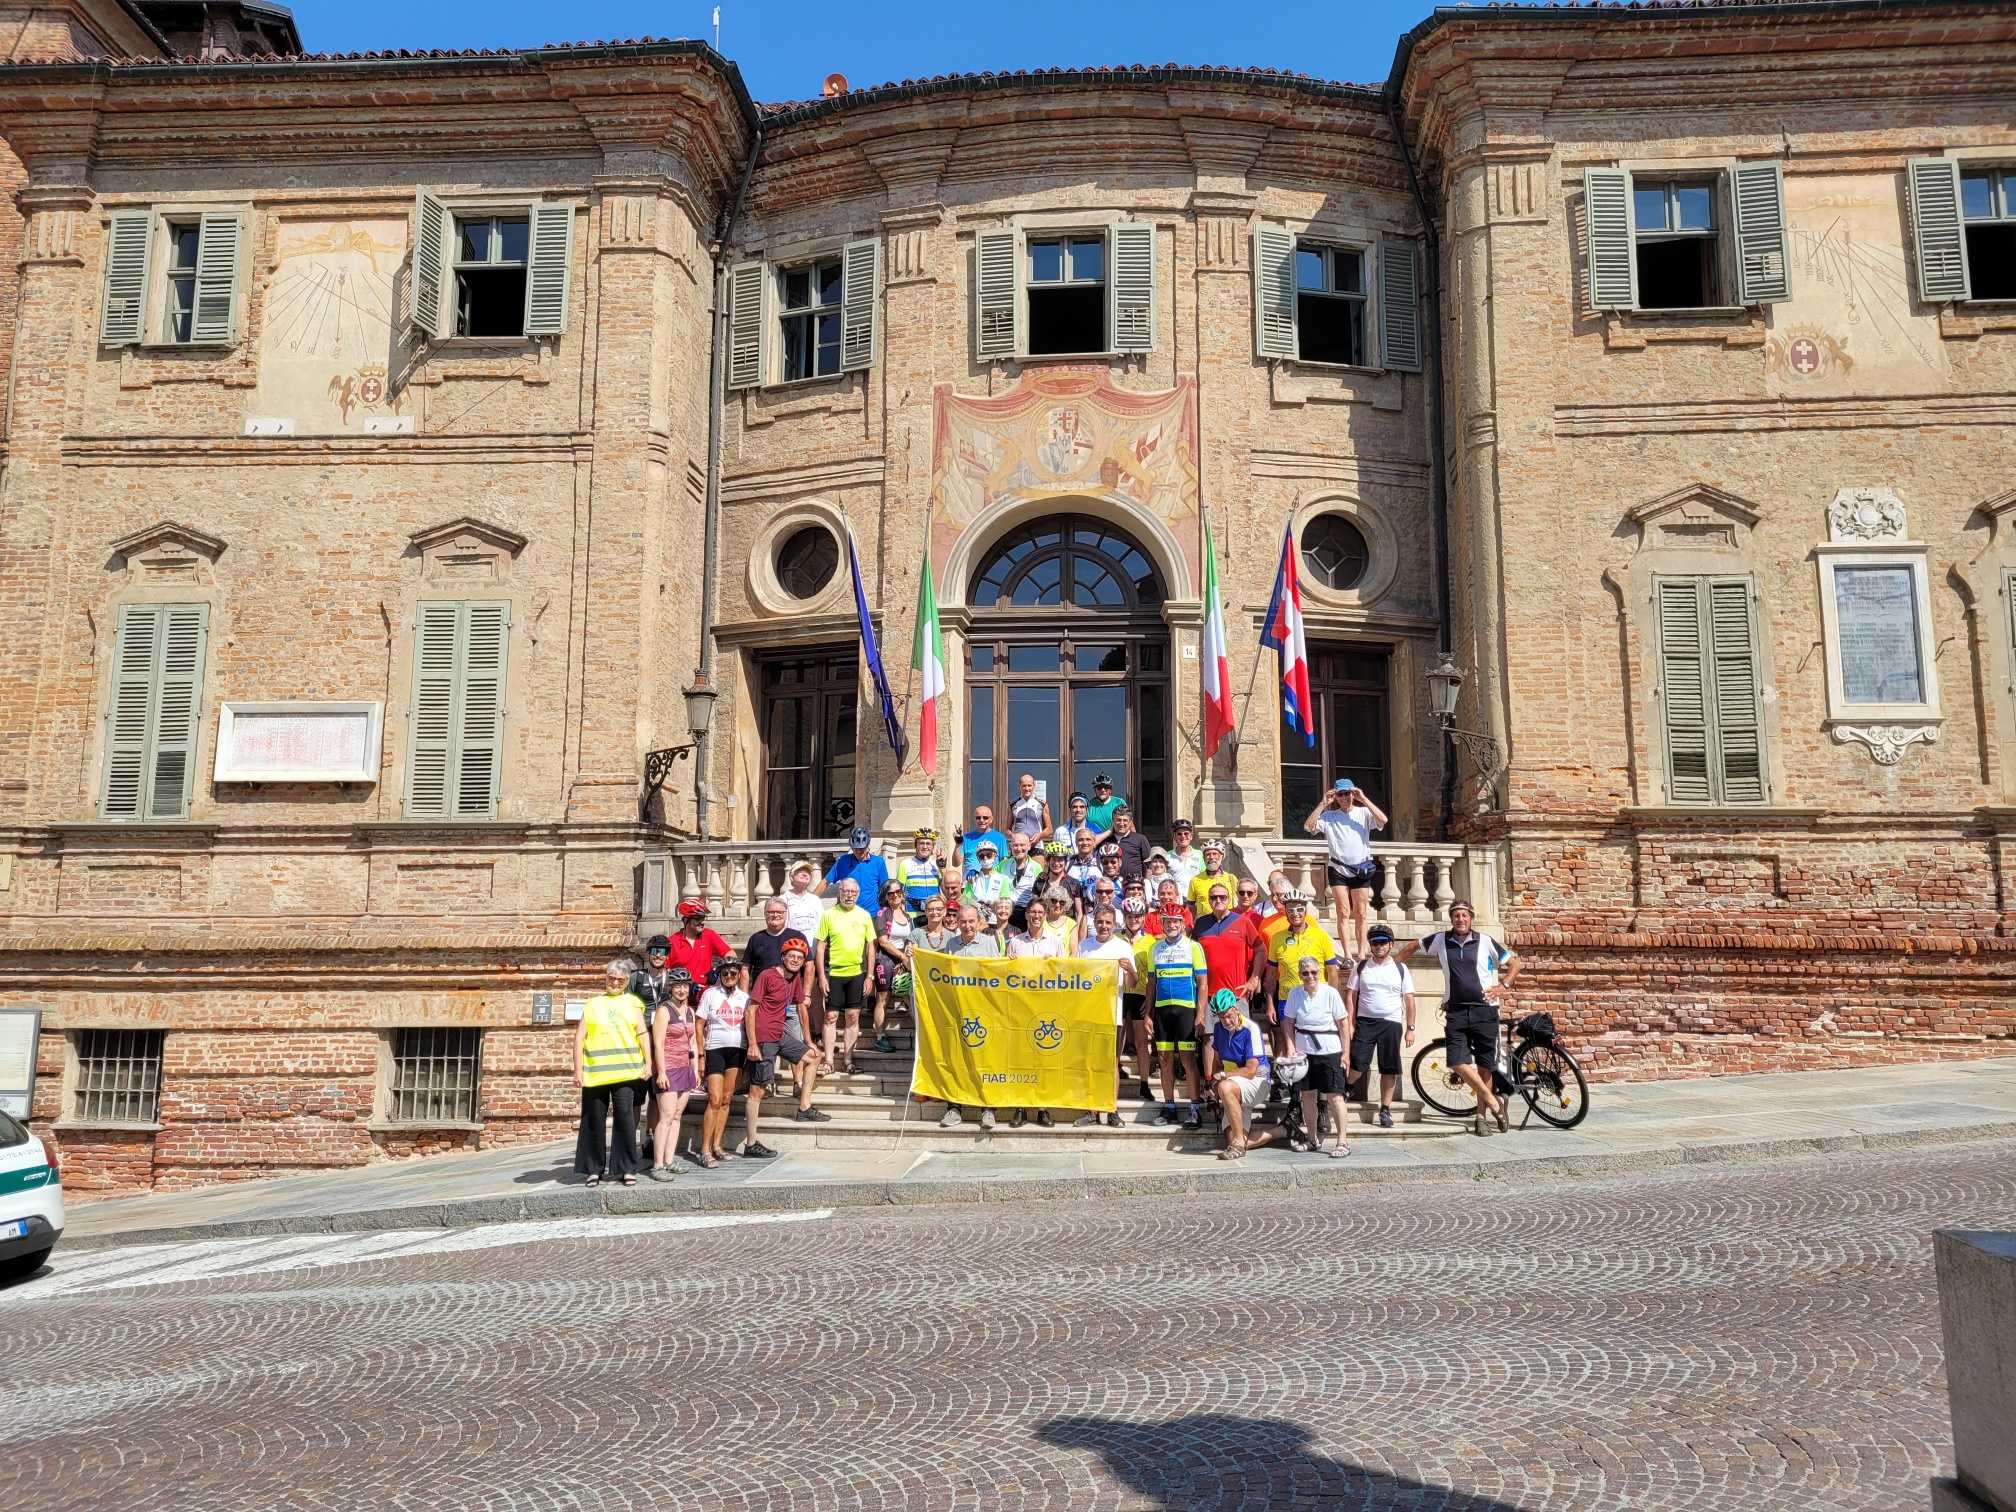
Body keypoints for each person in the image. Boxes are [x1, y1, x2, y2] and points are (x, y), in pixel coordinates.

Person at [1398, 900, 1520, 1137]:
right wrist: (1390, 969)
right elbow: (1411, 946)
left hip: (1485, 1010)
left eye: (1464, 915)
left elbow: (1513, 964)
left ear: (1471, 918)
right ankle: (1495, 1102)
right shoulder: (1441, 940)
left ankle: (1481, 1118)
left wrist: (1503, 985)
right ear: (1451, 919)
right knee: (1456, 1061)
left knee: (1485, 1066)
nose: (1460, 919)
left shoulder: (1485, 941)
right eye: (1456, 916)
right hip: (1456, 1010)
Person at [574, 958, 650, 1187]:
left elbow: (642, 1034)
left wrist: (649, 1063)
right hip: (595, 1072)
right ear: (605, 978)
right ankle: (593, 1170)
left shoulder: (633, 1003)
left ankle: (626, 1168)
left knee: (625, 1120)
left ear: (626, 982)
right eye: (612, 978)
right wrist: (577, 1069)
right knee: (593, 1120)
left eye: (620, 979)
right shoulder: (593, 1004)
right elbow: (579, 1037)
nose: (615, 983)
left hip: (626, 1072)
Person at [1267, 891, 1344, 1111]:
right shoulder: (1277, 938)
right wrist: (1270, 1003)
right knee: (1289, 1049)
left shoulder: (1320, 936)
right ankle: (1294, 1101)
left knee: (1317, 1052)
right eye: (1290, 909)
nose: (1295, 913)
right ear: (1285, 912)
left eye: (1299, 909)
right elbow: (1271, 975)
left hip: (1316, 1000)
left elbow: (1332, 971)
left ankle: (1322, 1105)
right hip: (1287, 1000)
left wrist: (1333, 1000)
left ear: (1306, 911)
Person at [745, 939, 823, 1152]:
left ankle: (804, 1108)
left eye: (800, 958)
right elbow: (750, 1011)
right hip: (763, 1038)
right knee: (758, 1090)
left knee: (815, 1056)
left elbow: (801, 1007)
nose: (796, 960)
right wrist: (752, 1044)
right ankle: (751, 1144)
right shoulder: (767, 975)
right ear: (783, 957)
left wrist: (808, 1040)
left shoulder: (794, 978)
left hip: (780, 1035)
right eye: (792, 956)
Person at [1305, 779, 1389, 960]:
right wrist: (1322, 804)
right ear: (1336, 796)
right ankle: (1347, 954)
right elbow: (1308, 827)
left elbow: (1383, 820)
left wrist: (1363, 799)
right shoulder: (1329, 816)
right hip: (1338, 868)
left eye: (1346, 793)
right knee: (1343, 911)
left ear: (1352, 794)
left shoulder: (1363, 813)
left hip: (1360, 868)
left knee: (1360, 912)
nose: (1344, 797)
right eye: (1340, 794)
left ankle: (1361, 953)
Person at [939, 903, 1003, 1131]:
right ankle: (954, 1108)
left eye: (971, 921)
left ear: (978, 922)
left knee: (985, 1063)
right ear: (957, 922)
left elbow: (998, 974)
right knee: (957, 1062)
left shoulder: (989, 943)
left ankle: (988, 1109)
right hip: (958, 1013)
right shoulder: (950, 945)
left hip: (983, 1012)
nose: (967, 925)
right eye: (963, 921)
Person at [1281, 952, 1351, 1158]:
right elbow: (1288, 1022)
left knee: (1335, 1097)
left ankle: (1343, 1141)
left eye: (1313, 972)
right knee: (1307, 1095)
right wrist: (1290, 1048)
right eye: (1305, 973)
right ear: (1300, 975)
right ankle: (1311, 1138)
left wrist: (1346, 1053)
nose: (1310, 976)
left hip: (1329, 1050)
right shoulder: (1295, 994)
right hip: (1304, 1051)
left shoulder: (1330, 993)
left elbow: (1343, 1023)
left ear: (1319, 973)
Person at [1347, 924, 1417, 1128]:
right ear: (1370, 945)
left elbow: (1409, 1000)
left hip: (1391, 1023)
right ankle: (1347, 1086)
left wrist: (1411, 1028)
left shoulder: (1400, 969)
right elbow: (1351, 996)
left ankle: (1385, 1110)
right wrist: (1350, 1024)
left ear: (1391, 944)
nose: (1379, 946)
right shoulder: (1361, 967)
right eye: (1375, 942)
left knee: (1389, 1067)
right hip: (1365, 1021)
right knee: (1358, 1062)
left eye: (1383, 942)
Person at [1005, 895, 1066, 1128]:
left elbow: (1066, 976)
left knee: (1044, 1060)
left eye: (1040, 912)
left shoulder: (1055, 943)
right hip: (1021, 1008)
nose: (1036, 916)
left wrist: (1055, 965)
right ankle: (1020, 1108)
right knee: (1021, 1059)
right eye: (1033, 912)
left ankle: (1043, 1108)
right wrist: (1008, 962)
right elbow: (1006, 976)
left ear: (1046, 915)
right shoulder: (1015, 943)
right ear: (1027, 915)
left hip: (1046, 1009)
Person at [1073, 902, 1136, 1127]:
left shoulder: (1123, 946)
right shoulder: (1084, 946)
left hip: (1113, 1015)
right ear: (1094, 922)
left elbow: (1132, 983)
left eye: (1108, 922)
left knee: (1111, 1064)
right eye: (1100, 922)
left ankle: (1111, 1110)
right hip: (1089, 1014)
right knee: (1090, 1063)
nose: (1104, 926)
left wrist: (1129, 970)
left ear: (1115, 923)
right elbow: (1076, 978)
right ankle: (1091, 1110)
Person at [1147, 908, 1208, 1129]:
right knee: (1164, 1060)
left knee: (1187, 1060)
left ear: (1183, 925)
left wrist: (1200, 1014)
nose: (1171, 925)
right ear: (1162, 923)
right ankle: (1169, 1107)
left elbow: (1202, 983)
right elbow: (1151, 984)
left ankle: (1194, 1109)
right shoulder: (1154, 948)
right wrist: (1147, 1014)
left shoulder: (1193, 947)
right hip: (1162, 1011)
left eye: (1175, 922)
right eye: (1167, 921)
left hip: (1186, 1009)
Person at [815, 876, 877, 1075]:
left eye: (853, 892)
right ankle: (828, 1061)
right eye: (845, 891)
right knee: (831, 1016)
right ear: (839, 892)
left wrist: (870, 976)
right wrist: (821, 976)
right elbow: (820, 947)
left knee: (853, 1015)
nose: (849, 895)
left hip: (856, 972)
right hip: (834, 972)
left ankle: (848, 1061)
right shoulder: (828, 915)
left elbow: (870, 947)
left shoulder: (864, 916)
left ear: (858, 894)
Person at [1207, 991, 1277, 1160]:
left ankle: (1239, 1143)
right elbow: (1217, 1062)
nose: (1226, 1021)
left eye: (1229, 1015)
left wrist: (1221, 1076)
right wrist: (1211, 1088)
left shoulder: (1251, 1029)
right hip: (1234, 1083)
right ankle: (1281, 1131)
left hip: (1257, 1081)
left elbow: (1251, 1070)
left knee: (1225, 1086)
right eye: (1221, 1017)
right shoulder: (1218, 1028)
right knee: (1230, 1140)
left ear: (1236, 1009)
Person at [646, 966, 701, 1179]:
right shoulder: (664, 1010)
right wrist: (660, 1073)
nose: (682, 990)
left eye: (685, 986)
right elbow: (658, 1044)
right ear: (670, 987)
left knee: (677, 1115)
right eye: (677, 986)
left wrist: (695, 1070)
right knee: (666, 1116)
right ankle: (657, 1165)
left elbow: (693, 1043)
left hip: (685, 1067)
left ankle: (669, 1159)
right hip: (668, 1067)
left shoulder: (689, 1011)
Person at [694, 958, 751, 1167]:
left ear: (738, 975)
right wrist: (701, 1054)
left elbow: (750, 1025)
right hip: (715, 1050)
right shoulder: (711, 994)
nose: (728, 977)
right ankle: (704, 1149)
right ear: (719, 975)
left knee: (726, 1099)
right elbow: (699, 1024)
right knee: (715, 1099)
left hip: (737, 1050)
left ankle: (717, 1145)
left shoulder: (745, 997)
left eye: (733, 973)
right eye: (724, 973)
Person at [1195, 878, 1264, 1023]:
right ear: (1209, 900)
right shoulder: (1201, 923)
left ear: (1229, 899)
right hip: (1208, 995)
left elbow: (1261, 950)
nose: (1218, 900)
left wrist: (1254, 979)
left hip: (1237, 994)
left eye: (1222, 897)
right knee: (1210, 1036)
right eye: (1214, 897)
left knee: (1238, 1034)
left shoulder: (1243, 921)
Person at [1119, 897, 1155, 1100]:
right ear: (1124, 917)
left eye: (1138, 916)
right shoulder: (1116, 938)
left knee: (1142, 1042)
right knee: (1118, 1041)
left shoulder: (1150, 942)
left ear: (1143, 917)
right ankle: (1114, 1077)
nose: (1134, 920)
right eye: (1130, 916)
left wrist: (1149, 1004)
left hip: (1140, 995)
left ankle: (1144, 1084)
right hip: (1119, 994)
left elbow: (1152, 977)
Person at [871, 879, 911, 1054]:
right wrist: (902, 957)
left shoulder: (907, 915)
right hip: (886, 958)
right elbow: (883, 941)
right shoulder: (882, 913)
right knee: (883, 998)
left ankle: (921, 1030)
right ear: (885, 896)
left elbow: (910, 938)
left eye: (898, 892)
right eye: (891, 893)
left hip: (903, 959)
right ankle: (880, 1037)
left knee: (908, 995)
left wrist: (905, 958)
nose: (895, 896)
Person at [744, 897, 811, 991]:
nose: (775, 915)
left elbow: (809, 965)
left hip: (790, 994)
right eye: (771, 912)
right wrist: (743, 995)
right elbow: (745, 968)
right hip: (760, 994)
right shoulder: (755, 938)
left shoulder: (798, 937)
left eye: (779, 912)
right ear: (765, 914)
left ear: (786, 914)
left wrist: (806, 993)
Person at [665, 899, 735, 988]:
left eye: (704, 918)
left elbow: (731, 955)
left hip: (706, 994)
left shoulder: (708, 935)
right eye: (698, 918)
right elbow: (665, 973)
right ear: (686, 920)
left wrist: (716, 970)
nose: (703, 922)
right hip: (682, 993)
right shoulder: (672, 941)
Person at [826, 826, 890, 909]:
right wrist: (812, 899)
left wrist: (885, 910)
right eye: (855, 848)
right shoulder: (843, 861)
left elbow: (885, 888)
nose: (858, 851)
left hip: (872, 913)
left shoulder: (879, 862)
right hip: (848, 911)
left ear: (868, 845)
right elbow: (825, 882)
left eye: (861, 848)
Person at [898, 828, 943, 919]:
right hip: (912, 913)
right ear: (916, 845)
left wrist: (943, 868)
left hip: (933, 913)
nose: (925, 847)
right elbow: (899, 892)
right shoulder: (905, 864)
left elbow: (945, 888)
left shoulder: (936, 864)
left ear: (933, 846)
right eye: (921, 843)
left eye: (928, 844)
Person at [957, 805, 1010, 877]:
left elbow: (1004, 862)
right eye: (978, 818)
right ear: (974, 819)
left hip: (992, 880)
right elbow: (956, 863)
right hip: (970, 880)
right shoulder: (966, 838)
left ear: (991, 819)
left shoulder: (1000, 838)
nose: (981, 820)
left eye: (985, 818)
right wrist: (958, 843)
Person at [1185, 838, 1235, 913]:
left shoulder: (1231, 879)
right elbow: (1189, 907)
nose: (1211, 857)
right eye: (1208, 854)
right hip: (1204, 920)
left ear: (1222, 857)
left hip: (1228, 920)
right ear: (1204, 857)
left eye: (1215, 854)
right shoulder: (1195, 880)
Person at [1005, 830, 1043, 929]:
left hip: (1025, 913)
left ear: (1029, 846)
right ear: (1010, 846)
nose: (1019, 848)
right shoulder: (1003, 865)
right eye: (1015, 845)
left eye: (1022, 845)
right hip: (1006, 912)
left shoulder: (1037, 867)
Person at [1106, 804, 1154, 881]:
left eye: (1125, 820)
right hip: (1111, 884)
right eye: (1118, 820)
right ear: (1113, 820)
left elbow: (1148, 865)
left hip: (1134, 884)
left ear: (1130, 822)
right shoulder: (1106, 840)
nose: (1121, 824)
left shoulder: (1140, 839)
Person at [963, 839, 1010, 911]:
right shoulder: (972, 878)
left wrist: (989, 903)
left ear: (995, 856)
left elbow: (1005, 903)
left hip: (995, 916)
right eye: (981, 856)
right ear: (978, 859)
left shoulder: (1003, 879)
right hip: (976, 916)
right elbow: (966, 901)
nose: (985, 858)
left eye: (989, 855)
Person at [1008, 772, 1052, 842]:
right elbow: (1007, 830)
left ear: (1034, 786)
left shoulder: (1042, 804)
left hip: (1037, 845)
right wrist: (1013, 836)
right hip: (1019, 845)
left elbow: (1049, 829)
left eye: (1029, 785)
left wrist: (1040, 835)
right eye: (1024, 786)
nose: (1027, 788)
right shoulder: (1012, 804)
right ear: (1019, 786)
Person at [1165, 819, 1203, 893]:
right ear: (1174, 837)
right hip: (1174, 897)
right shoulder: (1167, 856)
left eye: (1186, 833)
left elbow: (1205, 875)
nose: (1183, 836)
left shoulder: (1199, 854)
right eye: (1179, 834)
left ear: (1191, 836)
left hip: (1194, 897)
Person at [1066, 829, 1102, 904]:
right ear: (1076, 843)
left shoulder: (1101, 863)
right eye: (1081, 840)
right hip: (1072, 906)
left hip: (1094, 906)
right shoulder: (1068, 863)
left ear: (1094, 843)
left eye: (1088, 839)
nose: (1085, 843)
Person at [1085, 772, 1124, 837]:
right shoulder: (1089, 806)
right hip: (1095, 840)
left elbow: (1129, 823)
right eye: (1099, 788)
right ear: (1095, 790)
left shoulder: (1119, 802)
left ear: (1110, 790)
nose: (1103, 790)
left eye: (1106, 787)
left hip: (1116, 839)